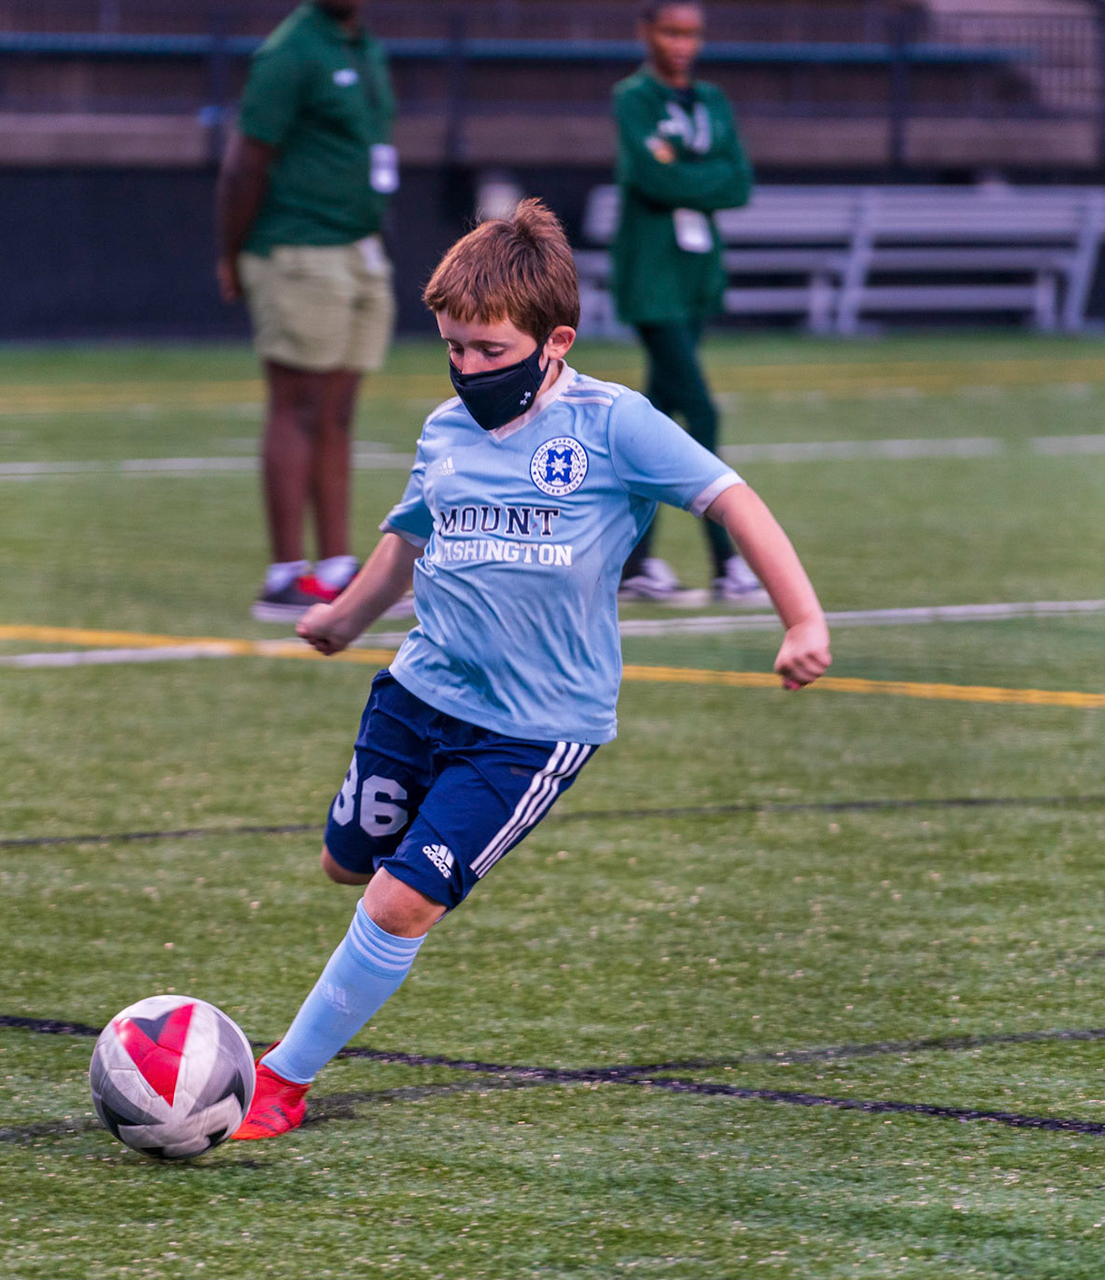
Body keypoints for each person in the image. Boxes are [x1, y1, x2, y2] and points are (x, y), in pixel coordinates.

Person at [231, 200, 831, 1141]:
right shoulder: (445, 429)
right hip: (416, 694)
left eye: (488, 351)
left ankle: (281, 1082)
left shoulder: (613, 424)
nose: (469, 370)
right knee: (345, 867)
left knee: (400, 900)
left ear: (555, 341)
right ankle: (338, 978)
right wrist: (348, 617)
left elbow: (734, 499)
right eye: (453, 350)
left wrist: (801, 617)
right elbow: (408, 534)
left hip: (530, 729)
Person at [217, 0, 398, 621]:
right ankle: (286, 573)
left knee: (339, 411)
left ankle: (340, 567)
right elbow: (245, 161)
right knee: (297, 406)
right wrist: (230, 252)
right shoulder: (289, 50)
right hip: (298, 246)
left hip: (358, 247)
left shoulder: (361, 43)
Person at [610, 1, 760, 606]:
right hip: (652, 278)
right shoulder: (633, 98)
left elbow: (742, 180)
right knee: (703, 413)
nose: (682, 44)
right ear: (646, 31)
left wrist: (693, 174)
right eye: (670, 31)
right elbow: (654, 179)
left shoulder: (713, 100)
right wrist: (706, 175)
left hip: (696, 275)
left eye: (692, 32)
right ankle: (729, 565)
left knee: (655, 423)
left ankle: (633, 565)